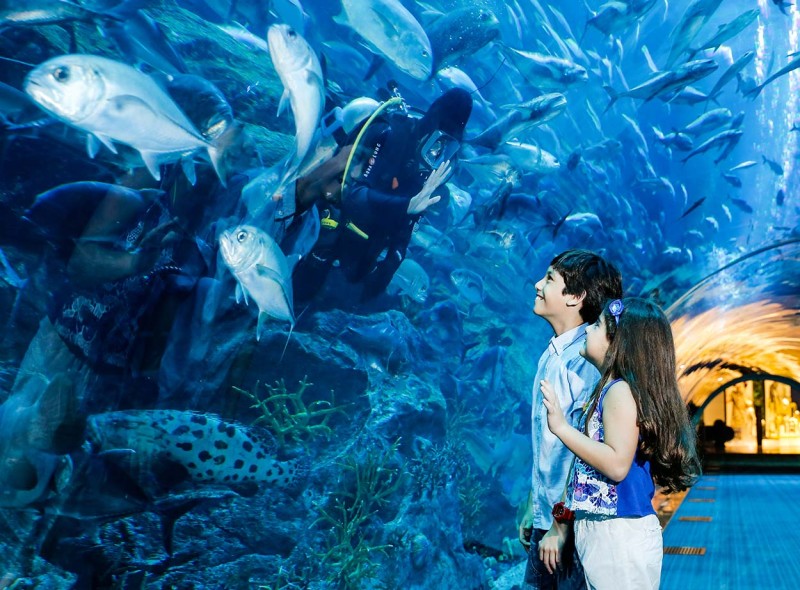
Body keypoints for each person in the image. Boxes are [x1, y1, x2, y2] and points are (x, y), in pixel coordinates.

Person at [540, 297, 702, 589]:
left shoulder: (619, 392)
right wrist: (563, 520)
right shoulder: (609, 389)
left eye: (599, 324)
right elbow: (585, 469)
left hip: (619, 533)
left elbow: (616, 465)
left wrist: (562, 428)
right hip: (609, 530)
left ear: (617, 344)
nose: (588, 329)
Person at [293, 87, 473, 302]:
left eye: (448, 148)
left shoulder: (429, 167)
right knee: (302, 286)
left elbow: (409, 222)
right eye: (439, 142)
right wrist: (406, 205)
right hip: (329, 224)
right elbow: (354, 196)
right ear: (430, 126)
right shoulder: (393, 135)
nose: (438, 152)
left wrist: (392, 261)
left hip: (363, 242)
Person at [519, 249, 623, 590]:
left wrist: (561, 525)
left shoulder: (583, 363)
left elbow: (588, 451)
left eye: (549, 279)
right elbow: (549, 448)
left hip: (570, 524)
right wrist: (533, 505)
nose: (538, 284)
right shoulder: (553, 355)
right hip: (549, 516)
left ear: (575, 297)